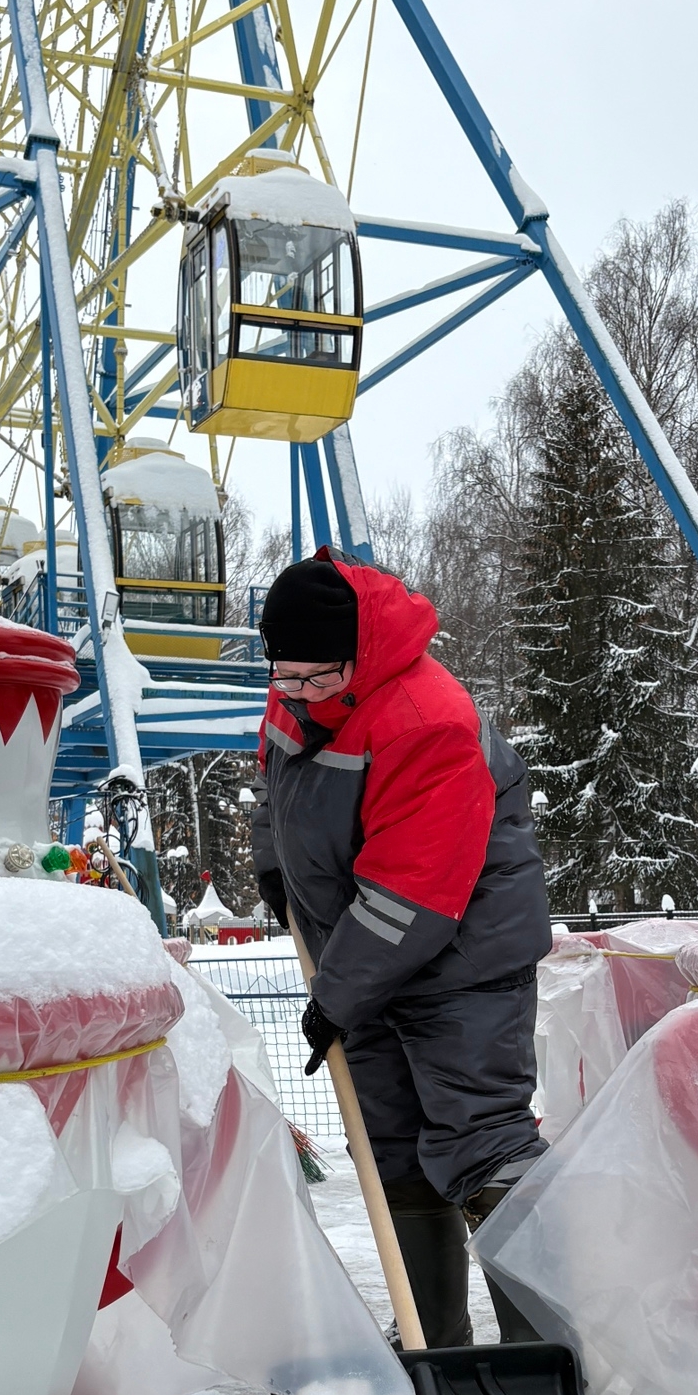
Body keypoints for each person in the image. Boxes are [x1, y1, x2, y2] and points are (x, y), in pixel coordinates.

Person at [252, 546, 553, 1349]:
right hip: (367, 956)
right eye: (286, 678)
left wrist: (335, 998)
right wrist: (273, 866)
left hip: (463, 964)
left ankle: (543, 1349)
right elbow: (279, 790)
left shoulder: (427, 722)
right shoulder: (295, 698)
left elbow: (411, 899)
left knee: (479, 1138)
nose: (302, 697)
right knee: (392, 1147)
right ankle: (432, 1338)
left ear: (362, 656)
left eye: (320, 680)